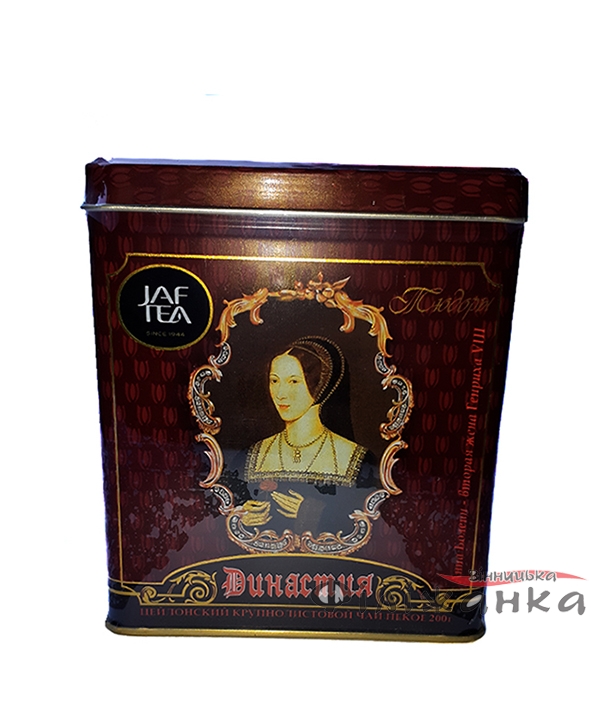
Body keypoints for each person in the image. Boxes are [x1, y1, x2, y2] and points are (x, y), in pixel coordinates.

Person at [222, 337, 378, 536]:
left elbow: (369, 525)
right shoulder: (248, 457)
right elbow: (220, 515)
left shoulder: (358, 459)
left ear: (320, 385)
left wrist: (311, 513)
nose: (280, 393)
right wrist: (240, 518)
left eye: (294, 381)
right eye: (274, 381)